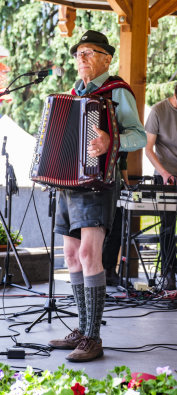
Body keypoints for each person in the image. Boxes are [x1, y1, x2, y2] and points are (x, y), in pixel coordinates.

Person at [48, 30, 147, 362]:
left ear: (106, 58)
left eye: (89, 52)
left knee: (91, 254)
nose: (81, 58)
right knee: (72, 256)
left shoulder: (116, 93)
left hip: (98, 182)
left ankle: (93, 337)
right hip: (68, 183)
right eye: (78, 53)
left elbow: (140, 136)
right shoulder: (73, 94)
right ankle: (82, 328)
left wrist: (110, 142)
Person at [145, 84, 177, 290]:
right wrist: (164, 173)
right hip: (166, 178)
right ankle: (167, 274)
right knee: (167, 228)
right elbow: (148, 149)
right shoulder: (159, 111)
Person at [102, 152, 129, 286]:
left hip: (117, 186)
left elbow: (123, 163)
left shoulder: (124, 135)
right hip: (101, 185)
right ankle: (97, 273)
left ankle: (109, 271)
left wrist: (127, 187)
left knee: (117, 229)